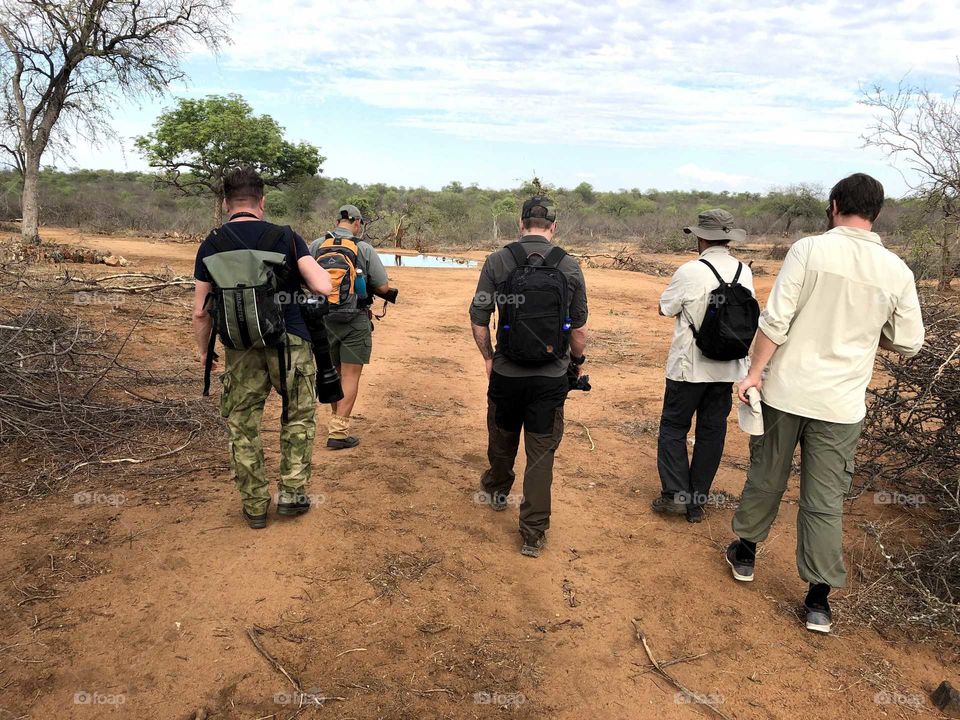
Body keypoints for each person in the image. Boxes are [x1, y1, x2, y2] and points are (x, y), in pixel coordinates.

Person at [726, 173, 925, 633]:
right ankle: (818, 600)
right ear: (875, 212)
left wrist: (754, 373)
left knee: (768, 474)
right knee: (825, 496)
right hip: (841, 404)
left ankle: (746, 555)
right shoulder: (896, 271)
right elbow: (909, 341)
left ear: (834, 204)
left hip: (788, 390)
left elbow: (776, 321)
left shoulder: (809, 250)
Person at [192, 167, 332, 529]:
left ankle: (254, 505)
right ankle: (291, 495)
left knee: (242, 425)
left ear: (226, 204)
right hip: (291, 344)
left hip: (240, 349)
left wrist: (205, 354)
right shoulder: (286, 237)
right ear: (262, 202)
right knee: (297, 417)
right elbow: (322, 286)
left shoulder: (212, 243)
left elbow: (199, 313)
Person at [469, 195, 589, 558]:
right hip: (550, 377)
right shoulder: (568, 266)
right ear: (553, 227)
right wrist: (576, 362)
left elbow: (478, 318)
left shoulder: (498, 260)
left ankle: (496, 489)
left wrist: (489, 358)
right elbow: (578, 328)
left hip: (507, 372)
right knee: (540, 453)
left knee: (502, 436)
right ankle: (533, 532)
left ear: (520, 224)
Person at [655, 209, 756, 523]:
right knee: (712, 432)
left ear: (701, 237)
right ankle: (697, 501)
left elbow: (665, 307)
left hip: (689, 367)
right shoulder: (744, 272)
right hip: (727, 368)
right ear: (728, 237)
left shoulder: (689, 271)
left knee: (674, 427)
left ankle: (675, 494)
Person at [310, 205, 393, 449]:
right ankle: (338, 432)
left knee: (332, 372)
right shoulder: (364, 248)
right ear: (357, 223)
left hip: (324, 319)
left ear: (336, 221)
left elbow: (303, 281)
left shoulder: (315, 246)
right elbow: (384, 287)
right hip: (355, 320)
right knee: (350, 375)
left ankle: (336, 425)